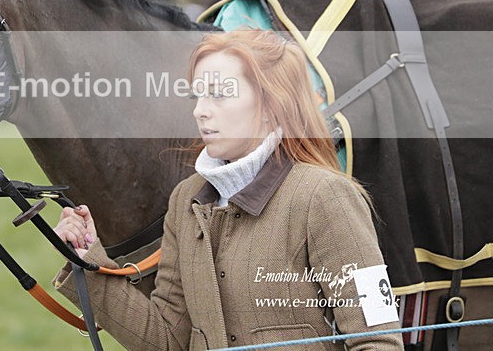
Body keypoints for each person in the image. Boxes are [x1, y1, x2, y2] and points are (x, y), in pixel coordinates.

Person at [53, 29, 403, 350]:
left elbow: (379, 342)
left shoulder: (327, 197)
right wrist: (88, 262)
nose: (200, 111)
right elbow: (167, 340)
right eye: (197, 96)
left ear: (271, 105)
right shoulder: (185, 201)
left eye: (219, 95)